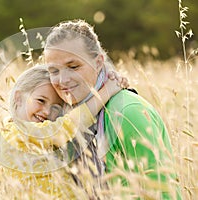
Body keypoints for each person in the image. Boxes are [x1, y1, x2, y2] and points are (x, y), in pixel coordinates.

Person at [44, 19, 181, 199]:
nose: (63, 80)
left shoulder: (128, 112)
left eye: (73, 66)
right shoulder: (62, 116)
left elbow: (161, 193)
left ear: (99, 62)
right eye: (54, 71)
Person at [0, 64, 128, 198]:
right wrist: (107, 90)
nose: (47, 112)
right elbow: (65, 127)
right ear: (18, 98)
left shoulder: (42, 141)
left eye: (55, 108)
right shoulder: (15, 133)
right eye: (41, 100)